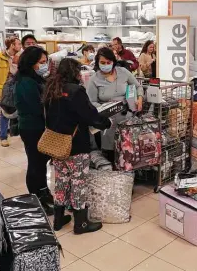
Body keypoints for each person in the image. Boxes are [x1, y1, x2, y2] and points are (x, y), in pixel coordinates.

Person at [43, 58, 111, 234]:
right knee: (79, 182)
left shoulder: (51, 88)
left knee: (61, 181)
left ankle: (58, 219)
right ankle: (81, 223)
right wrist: (105, 122)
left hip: (56, 144)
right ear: (75, 72)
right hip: (76, 144)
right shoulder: (76, 91)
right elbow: (89, 116)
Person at [14, 46, 54, 215]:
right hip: (32, 128)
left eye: (46, 62)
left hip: (39, 127)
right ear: (31, 63)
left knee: (41, 162)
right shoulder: (26, 82)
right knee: (35, 164)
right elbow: (37, 106)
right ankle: (35, 198)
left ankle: (43, 193)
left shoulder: (35, 79)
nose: (44, 65)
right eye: (41, 62)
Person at [87, 47, 144, 163]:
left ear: (113, 62)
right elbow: (91, 101)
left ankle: (128, 173)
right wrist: (104, 108)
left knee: (128, 149)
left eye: (109, 62)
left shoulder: (123, 72)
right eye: (103, 63)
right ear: (97, 62)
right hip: (107, 122)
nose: (106, 65)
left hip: (126, 117)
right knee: (111, 152)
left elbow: (138, 86)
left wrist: (140, 98)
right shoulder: (94, 79)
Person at [0, 36, 22, 147]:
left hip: (18, 88)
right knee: (5, 112)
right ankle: (3, 137)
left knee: (19, 111)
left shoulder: (20, 57)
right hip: (4, 90)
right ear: (12, 45)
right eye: (18, 44)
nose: (20, 46)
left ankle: (17, 133)